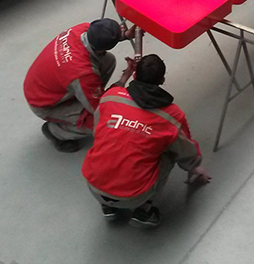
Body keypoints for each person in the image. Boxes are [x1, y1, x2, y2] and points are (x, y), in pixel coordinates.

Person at [82, 54, 210, 228]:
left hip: (93, 185)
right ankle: (144, 211)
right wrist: (194, 165)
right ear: (162, 80)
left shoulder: (110, 97)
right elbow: (185, 149)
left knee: (110, 138)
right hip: (134, 195)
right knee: (169, 150)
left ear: (135, 75)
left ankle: (108, 207)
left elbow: (98, 130)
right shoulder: (171, 116)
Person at [23, 18, 134, 152]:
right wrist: (124, 78)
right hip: (44, 103)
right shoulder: (83, 73)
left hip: (40, 83)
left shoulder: (83, 28)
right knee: (102, 120)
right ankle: (55, 131)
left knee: (108, 60)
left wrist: (125, 35)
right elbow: (100, 108)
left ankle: (86, 94)